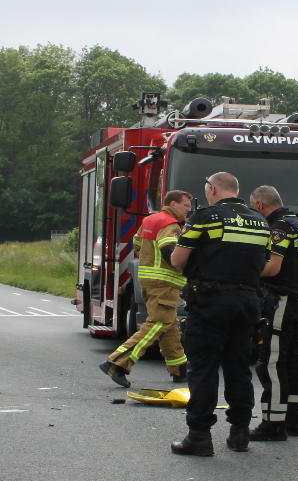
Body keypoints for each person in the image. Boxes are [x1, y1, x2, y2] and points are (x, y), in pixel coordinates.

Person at [166, 172, 272, 456]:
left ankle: (199, 437)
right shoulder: (260, 221)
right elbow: (266, 264)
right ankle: (240, 433)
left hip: (212, 300)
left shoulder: (205, 217)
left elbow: (177, 260)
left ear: (212, 189)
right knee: (239, 368)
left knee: (204, 369)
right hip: (248, 301)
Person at [99, 189, 194, 388]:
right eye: (186, 205)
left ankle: (180, 370)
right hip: (165, 283)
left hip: (148, 280)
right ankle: (118, 363)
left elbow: (137, 245)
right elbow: (170, 250)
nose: (189, 209)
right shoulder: (171, 224)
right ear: (173, 204)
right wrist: (188, 269)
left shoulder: (150, 220)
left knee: (168, 326)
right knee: (158, 324)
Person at [248, 185, 298, 441]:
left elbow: (273, 268)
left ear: (260, 205)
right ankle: (295, 421)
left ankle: (273, 424)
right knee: (293, 361)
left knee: (271, 362)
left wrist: (248, 271)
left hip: (282, 301)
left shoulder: (279, 228)